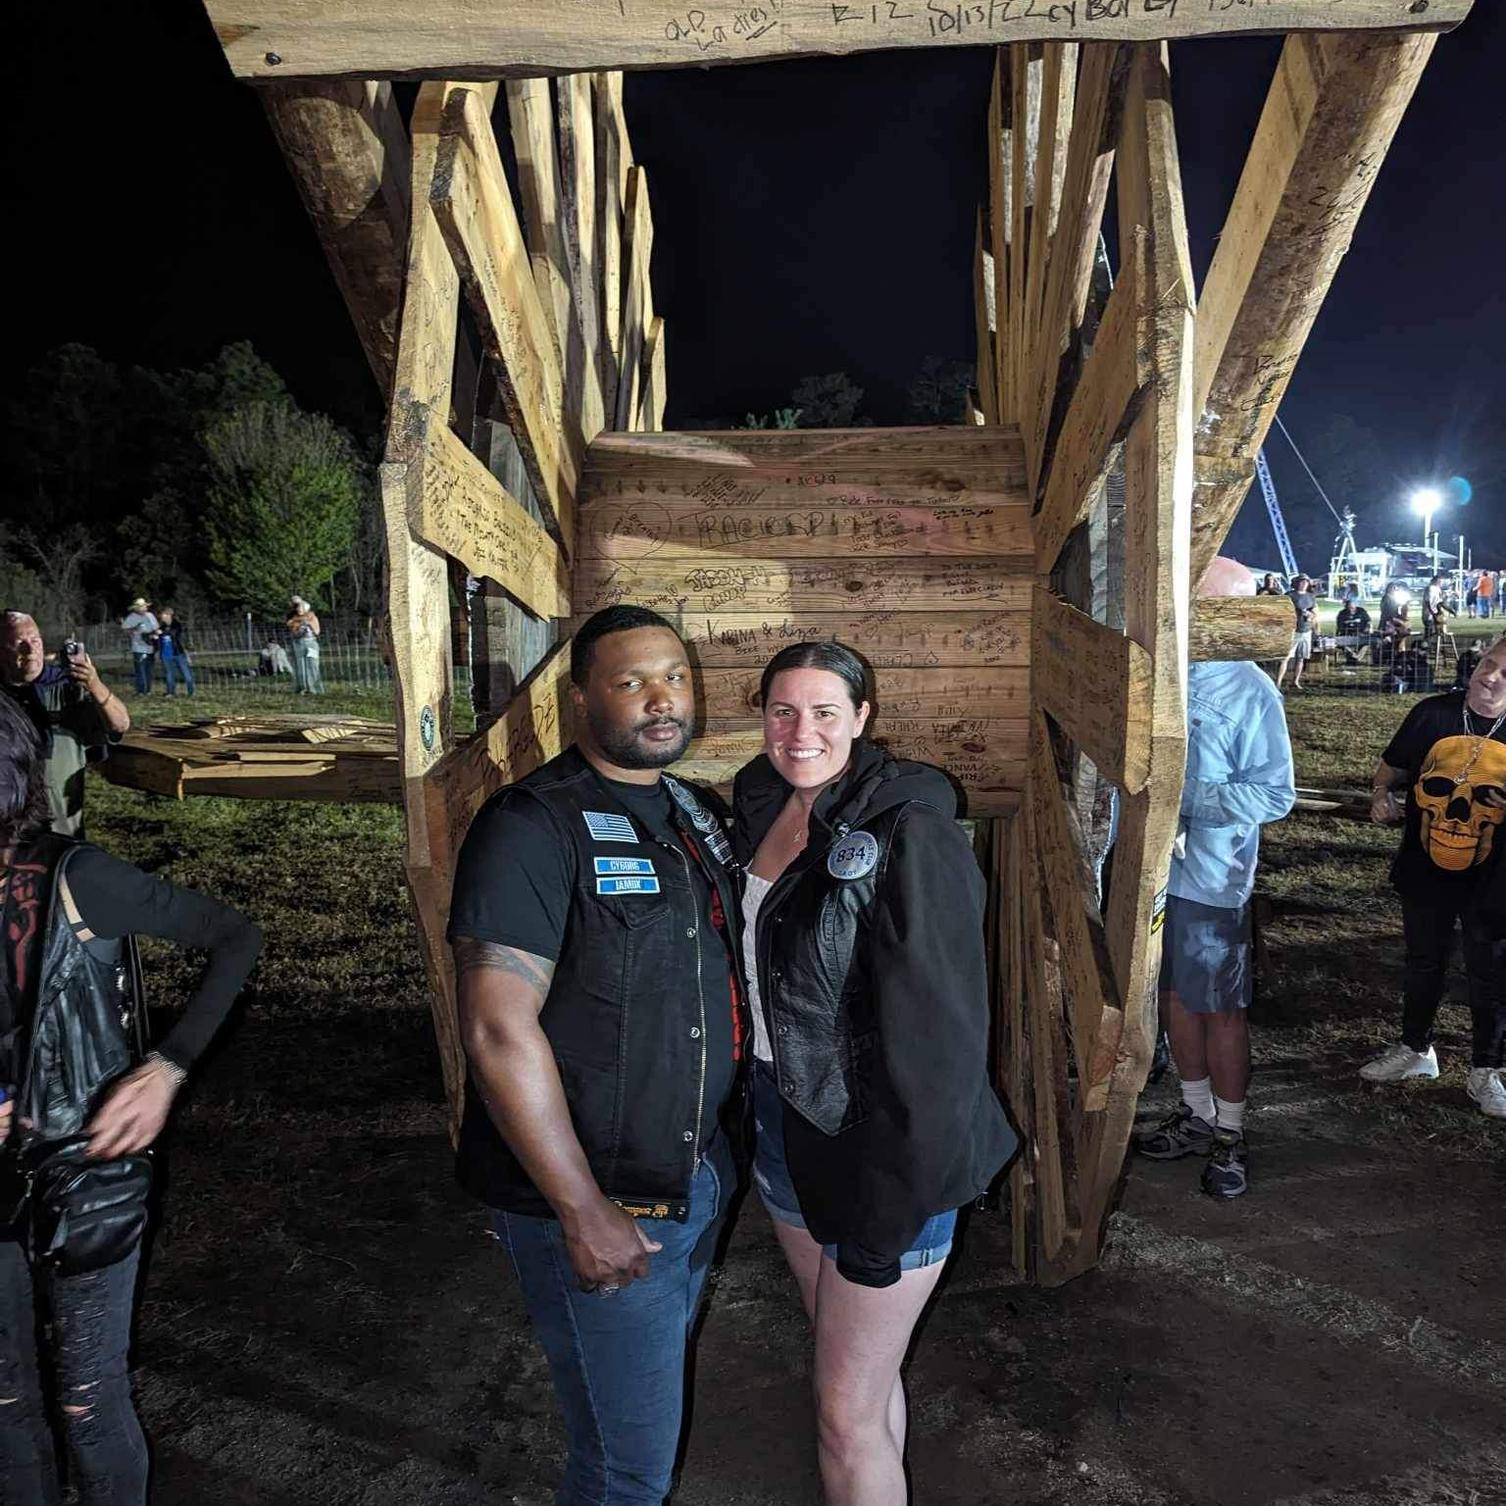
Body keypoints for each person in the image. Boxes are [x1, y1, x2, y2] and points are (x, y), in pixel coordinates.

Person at [448, 605, 744, 1505]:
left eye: (676, 678)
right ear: (581, 699)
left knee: (626, 1424)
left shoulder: (693, 812)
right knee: (628, 1470)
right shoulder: (532, 824)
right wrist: (581, 1208)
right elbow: (497, 1028)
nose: (663, 700)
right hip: (605, 1195)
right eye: (632, 682)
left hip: (694, 1170)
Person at [734, 640, 1016, 1504]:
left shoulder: (910, 830)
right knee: (855, 1373)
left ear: (862, 717)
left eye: (826, 712)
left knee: (841, 1415)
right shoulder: (763, 804)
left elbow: (944, 1048)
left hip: (886, 1149)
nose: (802, 731)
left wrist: (893, 1209)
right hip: (787, 1125)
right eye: (784, 711)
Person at [0, 692, 263, 1505]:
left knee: (87, 1404)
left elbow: (236, 936)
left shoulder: (75, 879)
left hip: (87, 1173)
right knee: (5, 1404)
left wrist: (167, 1068)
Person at [1133, 560, 1295, 1198]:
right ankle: (1196, 1112)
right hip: (1153, 872)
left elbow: (1275, 793)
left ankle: (1231, 1131)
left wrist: (1184, 797)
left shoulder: (1252, 692)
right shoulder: (1162, 675)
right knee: (1174, 997)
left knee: (1219, 1007)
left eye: (1206, 605)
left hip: (1209, 878)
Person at [1359, 634, 1506, 1119]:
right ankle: (1416, 1049)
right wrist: (1381, 795)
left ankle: (1486, 1070)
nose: (1490, 676)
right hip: (1426, 869)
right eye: (1488, 663)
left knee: (1490, 974)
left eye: (1505, 673)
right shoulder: (1432, 714)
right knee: (1423, 962)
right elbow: (1389, 770)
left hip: (1495, 880)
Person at [0, 612, 129, 838]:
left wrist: (95, 685)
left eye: (35, 641)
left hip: (61, 827)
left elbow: (120, 724)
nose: (30, 651)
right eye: (19, 643)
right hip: (8, 830)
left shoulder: (67, 687)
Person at [1275, 574, 1317, 692]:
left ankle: (1295, 681)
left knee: (1301, 658)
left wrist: (1310, 615)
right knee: (1285, 658)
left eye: (1306, 582)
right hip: (1293, 630)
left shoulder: (1311, 597)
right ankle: (1278, 683)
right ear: (1297, 583)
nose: (1303, 584)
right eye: (1301, 582)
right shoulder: (1290, 596)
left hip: (1306, 630)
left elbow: (1314, 612)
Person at [118, 598, 158, 697]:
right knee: (140, 670)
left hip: (150, 647)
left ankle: (148, 690)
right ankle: (141, 691)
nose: (144, 608)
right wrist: (134, 630)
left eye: (145, 606)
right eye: (141, 607)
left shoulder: (150, 616)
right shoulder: (131, 617)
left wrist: (153, 635)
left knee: (149, 670)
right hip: (138, 648)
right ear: (136, 608)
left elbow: (156, 628)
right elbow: (124, 629)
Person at [155, 606, 195, 698]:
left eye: (163, 614)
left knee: (186, 673)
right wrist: (155, 638)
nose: (161, 616)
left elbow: (173, 633)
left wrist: (161, 633)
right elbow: (159, 639)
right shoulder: (162, 626)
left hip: (178, 653)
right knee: (169, 674)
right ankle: (170, 692)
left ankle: (191, 692)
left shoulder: (177, 625)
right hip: (166, 654)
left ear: (169, 615)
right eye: (161, 615)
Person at [286, 596, 323, 694]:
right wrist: (299, 627)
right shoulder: (293, 619)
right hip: (298, 644)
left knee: (312, 665)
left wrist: (309, 624)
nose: (298, 609)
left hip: (311, 643)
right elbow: (292, 630)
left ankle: (313, 688)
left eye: (300, 607)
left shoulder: (312, 617)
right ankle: (302, 687)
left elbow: (317, 631)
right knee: (300, 666)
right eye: (297, 607)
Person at [1334, 598, 1373, 666]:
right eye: (1348, 608)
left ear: (1355, 606)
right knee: (1342, 645)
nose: (1350, 610)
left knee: (1366, 644)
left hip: (1361, 634)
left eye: (1352, 608)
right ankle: (1353, 657)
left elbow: (1368, 621)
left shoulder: (1362, 611)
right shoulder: (1342, 613)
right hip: (1346, 634)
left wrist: (1367, 628)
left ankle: (1356, 658)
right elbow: (1340, 626)